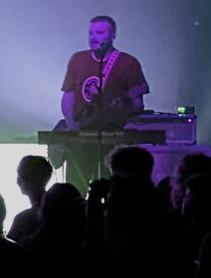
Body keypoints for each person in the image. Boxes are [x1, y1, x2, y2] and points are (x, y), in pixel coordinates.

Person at [58, 16, 149, 191]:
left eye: (99, 33)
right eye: (91, 33)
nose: (93, 37)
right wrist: (72, 126)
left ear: (113, 35)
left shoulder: (128, 63)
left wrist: (124, 107)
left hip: (113, 139)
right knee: (76, 187)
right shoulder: (77, 59)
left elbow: (138, 105)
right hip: (81, 136)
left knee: (113, 188)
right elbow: (68, 97)